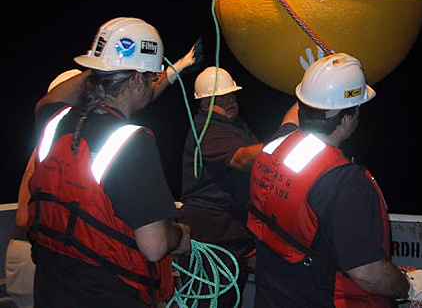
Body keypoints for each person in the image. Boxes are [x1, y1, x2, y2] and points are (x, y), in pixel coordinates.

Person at [27, 17, 201, 308]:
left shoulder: (54, 121)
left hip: (50, 290)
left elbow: (44, 103)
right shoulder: (132, 142)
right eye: (150, 77)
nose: (153, 83)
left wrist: (103, 64)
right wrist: (180, 237)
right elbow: (155, 245)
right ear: (135, 80)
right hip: (107, 295)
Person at [247, 52, 422, 307]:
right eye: (356, 110)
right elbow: (367, 273)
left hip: (270, 297)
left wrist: (317, 83)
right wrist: (409, 287)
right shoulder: (346, 184)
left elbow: (292, 119)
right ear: (346, 119)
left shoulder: (276, 145)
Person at [178, 66, 264, 307]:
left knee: (227, 298)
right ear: (205, 104)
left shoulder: (235, 127)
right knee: (209, 300)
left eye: (232, 95)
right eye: (221, 98)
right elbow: (243, 159)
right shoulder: (208, 130)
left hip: (231, 235)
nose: (230, 101)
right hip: (214, 237)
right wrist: (287, 144)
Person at [4, 70, 81, 308]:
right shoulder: (52, 151)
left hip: (31, 256)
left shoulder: (48, 148)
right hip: (33, 257)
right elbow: (24, 219)